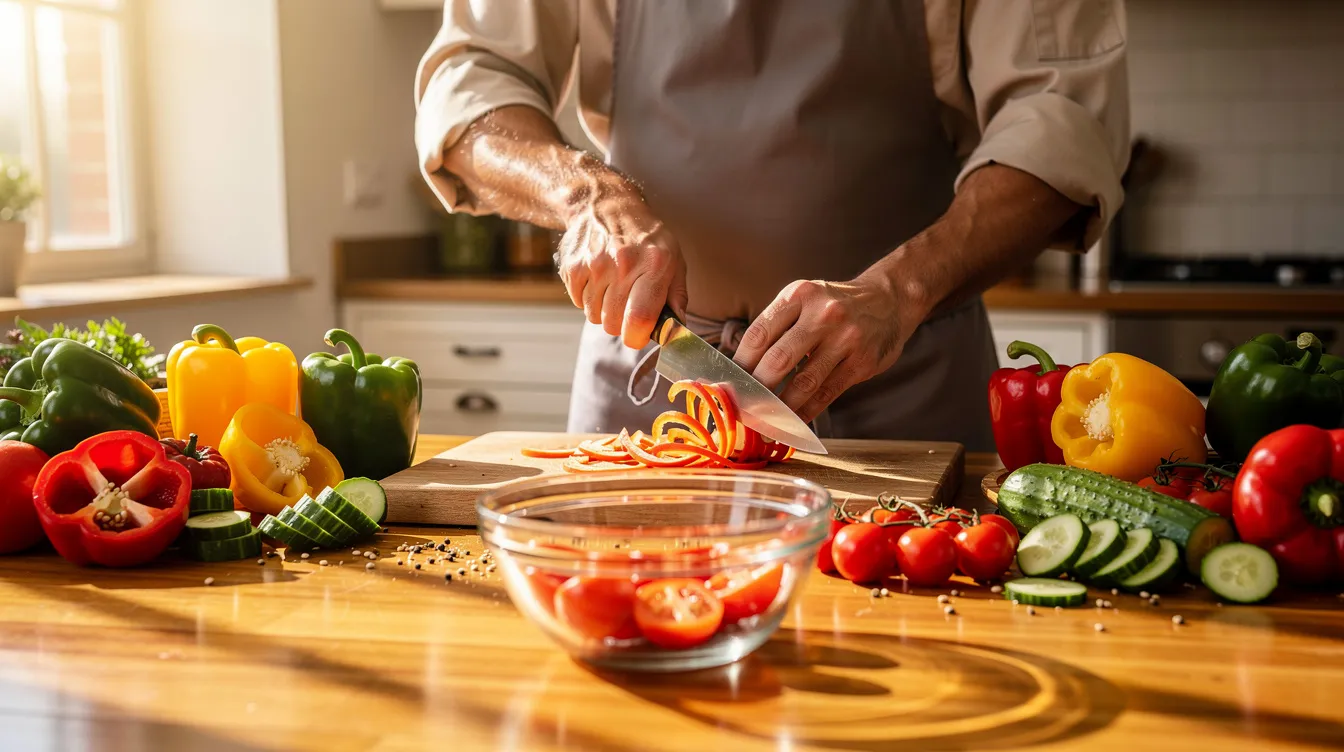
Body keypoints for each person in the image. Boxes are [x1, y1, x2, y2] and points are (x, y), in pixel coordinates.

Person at [413, 0, 1130, 452]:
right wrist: (584, 196)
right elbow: (472, 82)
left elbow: (1064, 120)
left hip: (907, 393)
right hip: (650, 383)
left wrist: (899, 293)